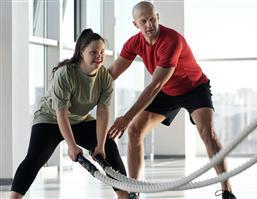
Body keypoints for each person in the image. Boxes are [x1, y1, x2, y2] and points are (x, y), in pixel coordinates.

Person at [107, 1, 236, 199]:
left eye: (152, 19)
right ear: (136, 25)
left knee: (206, 132)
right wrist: (84, 85)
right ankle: (134, 191)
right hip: (167, 91)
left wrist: (125, 117)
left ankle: (227, 191)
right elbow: (112, 73)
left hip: (194, 87)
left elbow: (155, 86)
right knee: (134, 130)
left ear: (157, 17)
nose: (149, 24)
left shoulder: (171, 40)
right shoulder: (134, 42)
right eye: (144, 21)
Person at [9, 29, 138, 199]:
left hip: (80, 119)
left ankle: (124, 195)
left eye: (102, 52)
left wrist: (99, 145)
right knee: (36, 157)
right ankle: (13, 197)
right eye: (93, 52)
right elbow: (61, 113)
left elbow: (102, 112)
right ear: (81, 52)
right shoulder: (66, 74)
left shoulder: (104, 78)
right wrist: (71, 145)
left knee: (109, 147)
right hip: (51, 118)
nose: (99, 56)